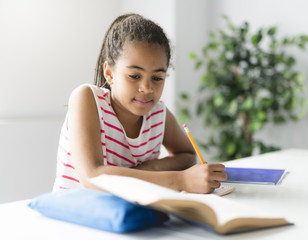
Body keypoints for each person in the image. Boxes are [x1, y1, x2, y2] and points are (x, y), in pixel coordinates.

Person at [53, 13, 227, 194]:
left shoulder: (159, 114)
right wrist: (180, 180)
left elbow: (188, 156)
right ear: (110, 73)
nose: (147, 88)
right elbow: (92, 177)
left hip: (128, 213)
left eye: (157, 78)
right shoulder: (87, 99)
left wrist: (150, 168)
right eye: (134, 76)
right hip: (74, 215)